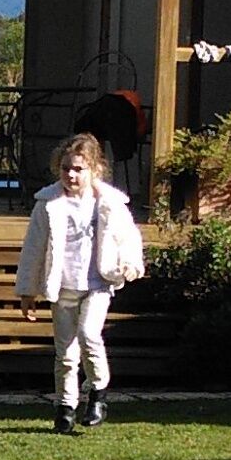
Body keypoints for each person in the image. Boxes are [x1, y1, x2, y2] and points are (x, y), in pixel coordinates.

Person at [15, 131, 145, 434]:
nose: (71, 175)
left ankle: (98, 393)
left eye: (78, 169)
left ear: (95, 170)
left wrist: (130, 263)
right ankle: (65, 407)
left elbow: (128, 237)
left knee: (88, 334)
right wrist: (27, 290)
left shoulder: (109, 203)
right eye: (66, 169)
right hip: (62, 286)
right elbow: (33, 248)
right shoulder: (48, 204)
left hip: (97, 283)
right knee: (66, 353)